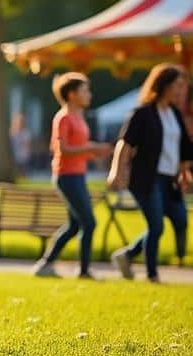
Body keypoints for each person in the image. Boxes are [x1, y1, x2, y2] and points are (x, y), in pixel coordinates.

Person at [108, 63, 192, 282]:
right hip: (147, 179)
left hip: (169, 179)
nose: (181, 91)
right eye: (178, 85)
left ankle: (127, 255)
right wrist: (116, 172)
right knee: (156, 226)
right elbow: (124, 145)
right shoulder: (142, 113)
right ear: (164, 85)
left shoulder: (174, 113)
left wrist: (185, 173)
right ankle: (152, 274)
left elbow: (183, 147)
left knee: (181, 219)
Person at [33, 73, 112, 279]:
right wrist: (91, 147)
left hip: (78, 174)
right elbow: (63, 149)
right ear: (72, 94)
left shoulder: (79, 117)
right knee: (89, 223)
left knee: (75, 225)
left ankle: (45, 264)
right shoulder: (63, 118)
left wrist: (95, 154)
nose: (89, 94)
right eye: (85, 90)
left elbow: (78, 149)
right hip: (66, 176)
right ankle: (83, 270)